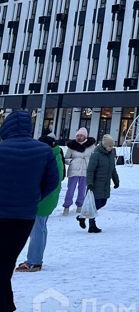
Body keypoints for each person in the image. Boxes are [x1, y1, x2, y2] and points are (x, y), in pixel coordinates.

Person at [0, 111, 59, 312]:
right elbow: (52, 182)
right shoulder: (44, 151)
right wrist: (32, 198)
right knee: (6, 261)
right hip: (23, 218)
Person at [16, 134, 65, 272]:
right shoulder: (56, 157)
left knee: (37, 230)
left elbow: (39, 179)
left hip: (42, 199)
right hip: (49, 198)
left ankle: (34, 262)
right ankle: (35, 259)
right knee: (41, 229)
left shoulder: (48, 159)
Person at [79, 135, 120, 234]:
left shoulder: (111, 154)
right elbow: (90, 171)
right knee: (95, 204)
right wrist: (90, 183)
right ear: (104, 145)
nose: (111, 148)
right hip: (96, 184)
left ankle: (83, 216)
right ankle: (92, 225)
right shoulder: (96, 154)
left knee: (103, 202)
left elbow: (113, 169)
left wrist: (116, 180)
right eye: (109, 146)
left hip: (105, 183)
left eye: (112, 146)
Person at [62, 127, 96, 215]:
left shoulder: (91, 146)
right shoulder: (71, 146)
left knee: (82, 189)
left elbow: (95, 158)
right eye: (78, 135)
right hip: (73, 170)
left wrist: (92, 164)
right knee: (70, 190)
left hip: (85, 170)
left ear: (85, 136)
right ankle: (66, 207)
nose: (79, 137)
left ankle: (79, 206)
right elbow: (65, 158)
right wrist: (70, 161)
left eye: (81, 135)